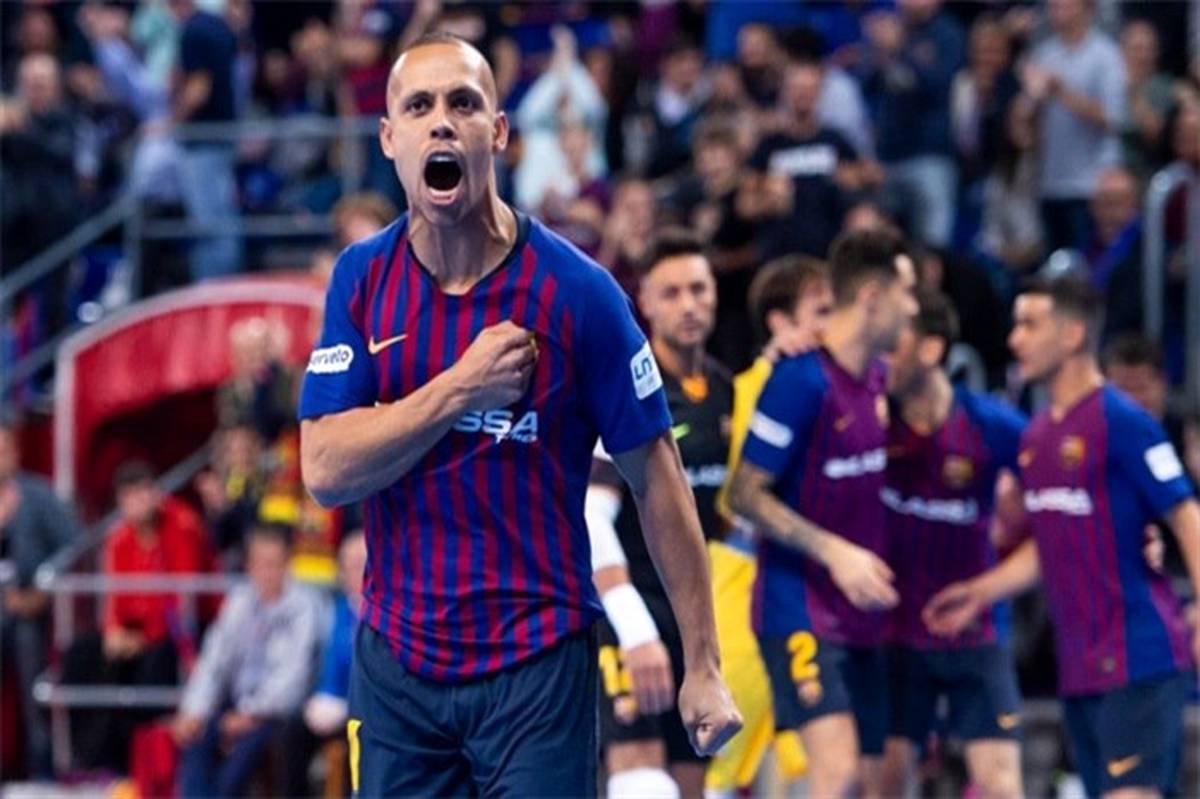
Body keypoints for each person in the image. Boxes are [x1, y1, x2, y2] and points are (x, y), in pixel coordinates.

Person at [297, 33, 740, 797]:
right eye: (419, 106)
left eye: (464, 104)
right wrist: (459, 389)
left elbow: (658, 476)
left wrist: (702, 662)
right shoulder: (361, 278)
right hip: (399, 670)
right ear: (390, 139)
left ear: (498, 132)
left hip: (537, 668)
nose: (442, 121)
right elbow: (325, 468)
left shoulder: (581, 293)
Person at [925, 276, 1200, 798]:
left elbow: (1187, 514)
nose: (1015, 340)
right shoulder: (1036, 436)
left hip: (1139, 659)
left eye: (1030, 325)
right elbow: (1050, 539)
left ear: (1073, 335)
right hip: (1079, 670)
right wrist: (981, 592)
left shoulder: (1124, 421)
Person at [727, 229, 917, 798]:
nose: (913, 309)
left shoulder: (876, 379)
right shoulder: (798, 380)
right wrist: (834, 552)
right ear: (873, 297)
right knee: (835, 776)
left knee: (874, 783)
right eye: (906, 293)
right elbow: (744, 495)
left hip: (863, 610)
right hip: (797, 608)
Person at [587, 229, 732, 798]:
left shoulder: (725, 390)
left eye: (698, 288)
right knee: (641, 780)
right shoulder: (629, 388)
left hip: (693, 615)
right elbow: (593, 519)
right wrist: (634, 628)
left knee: (691, 782)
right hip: (630, 610)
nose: (688, 305)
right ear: (644, 301)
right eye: (671, 293)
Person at [878, 292, 1026, 799]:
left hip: (975, 632)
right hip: (894, 636)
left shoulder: (993, 425)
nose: (879, 361)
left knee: (1002, 787)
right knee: (884, 784)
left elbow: (1065, 514)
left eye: (892, 348)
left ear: (931, 349)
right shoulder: (869, 422)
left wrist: (984, 591)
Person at [708, 255, 832, 797]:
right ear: (781, 323)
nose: (834, 324)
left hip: (803, 590)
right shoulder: (749, 389)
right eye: (821, 311)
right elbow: (740, 498)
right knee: (718, 764)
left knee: (801, 764)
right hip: (738, 584)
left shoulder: (837, 389)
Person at [62, 461, 216, 773]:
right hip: (134, 631)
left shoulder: (182, 525)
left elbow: (183, 602)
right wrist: (113, 632)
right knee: (79, 655)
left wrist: (143, 639)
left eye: (144, 494)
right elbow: (114, 599)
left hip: (180, 630)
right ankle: (86, 759)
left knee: (153, 665)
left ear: (156, 494)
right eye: (130, 497)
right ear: (121, 502)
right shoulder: (118, 538)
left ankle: (137, 763)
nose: (139, 503)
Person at [173, 523, 327, 798]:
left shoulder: (305, 607)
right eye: (259, 564)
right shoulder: (239, 602)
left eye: (273, 564)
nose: (266, 572)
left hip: (277, 714)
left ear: (287, 565)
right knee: (195, 739)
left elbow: (294, 679)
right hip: (235, 707)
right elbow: (213, 662)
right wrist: (195, 711)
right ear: (249, 565)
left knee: (236, 769)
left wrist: (251, 713)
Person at [0, 419, 80, 779]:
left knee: (34, 683)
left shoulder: (38, 497)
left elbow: (74, 545)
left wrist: (42, 591)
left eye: (3, 450)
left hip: (30, 612)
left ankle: (41, 767)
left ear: (16, 452)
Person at [1016, 0, 1126, 253]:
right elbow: (1027, 119)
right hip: (1049, 182)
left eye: (1065, 5)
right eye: (1053, 5)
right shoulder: (1044, 55)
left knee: (1085, 267)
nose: (1057, 11)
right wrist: (1026, 109)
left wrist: (1061, 92)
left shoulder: (1105, 55)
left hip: (1089, 185)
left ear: (1087, 9)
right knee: (1053, 266)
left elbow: (1112, 119)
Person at [168, 0, 242, 281]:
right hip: (224, 133)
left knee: (208, 222)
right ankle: (226, 282)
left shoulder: (194, 31)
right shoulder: (218, 25)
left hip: (203, 138)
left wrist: (171, 123)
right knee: (223, 215)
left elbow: (199, 89)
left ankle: (213, 286)